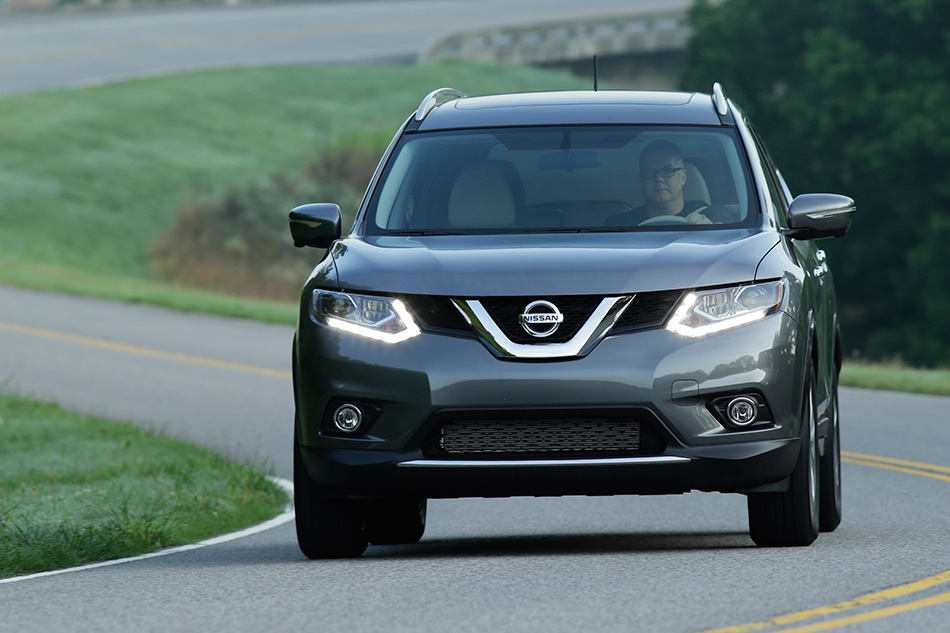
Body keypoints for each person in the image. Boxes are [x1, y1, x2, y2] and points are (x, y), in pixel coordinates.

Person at [607, 140, 724, 226]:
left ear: (683, 177)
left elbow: (729, 243)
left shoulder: (711, 214)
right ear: (642, 179)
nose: (658, 178)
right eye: (649, 172)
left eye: (668, 170)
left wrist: (711, 232)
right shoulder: (620, 225)